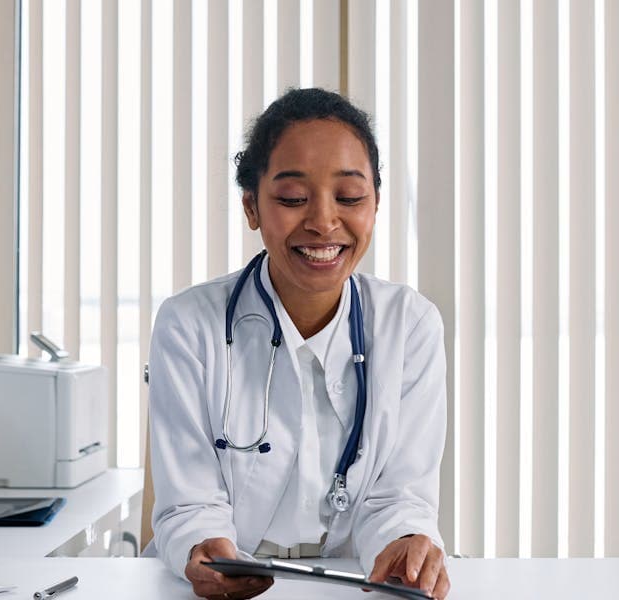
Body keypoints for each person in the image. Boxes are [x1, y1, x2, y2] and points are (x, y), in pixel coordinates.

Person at [146, 88, 451, 600]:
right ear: (252, 206)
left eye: (350, 197)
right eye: (291, 199)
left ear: (375, 204)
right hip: (222, 591)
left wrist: (406, 541)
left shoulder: (410, 324)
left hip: (355, 583)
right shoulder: (188, 324)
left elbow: (399, 496)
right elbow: (189, 503)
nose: (323, 221)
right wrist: (204, 549)